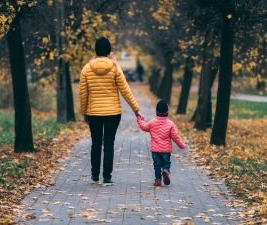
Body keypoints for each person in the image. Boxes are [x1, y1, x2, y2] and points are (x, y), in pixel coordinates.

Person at [79, 37, 140, 185]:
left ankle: (94, 176)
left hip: (94, 113)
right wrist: (136, 110)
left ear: (96, 50)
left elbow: (83, 94)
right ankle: (107, 177)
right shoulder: (114, 68)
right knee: (109, 144)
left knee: (96, 143)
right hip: (113, 113)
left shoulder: (86, 69)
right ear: (109, 51)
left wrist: (84, 113)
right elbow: (125, 90)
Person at [136, 100, 187, 186]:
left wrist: (139, 119)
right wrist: (182, 145)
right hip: (166, 150)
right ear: (167, 111)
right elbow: (176, 137)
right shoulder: (170, 124)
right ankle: (166, 171)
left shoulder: (152, 122)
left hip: (155, 150)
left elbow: (144, 127)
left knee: (157, 165)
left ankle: (158, 180)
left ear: (156, 111)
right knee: (166, 163)